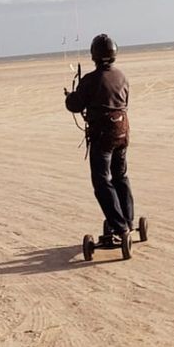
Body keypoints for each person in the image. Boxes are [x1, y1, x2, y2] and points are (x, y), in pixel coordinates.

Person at [64, 33, 134, 244]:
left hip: (103, 136)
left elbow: (74, 105)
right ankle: (127, 220)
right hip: (122, 132)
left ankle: (120, 227)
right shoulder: (121, 76)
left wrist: (70, 96)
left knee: (102, 181)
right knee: (120, 176)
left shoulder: (91, 80)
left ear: (94, 55)